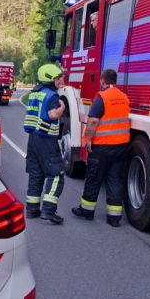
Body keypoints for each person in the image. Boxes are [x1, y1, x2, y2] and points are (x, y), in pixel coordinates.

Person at [72, 69, 130, 227]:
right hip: (121, 147)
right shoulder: (124, 97)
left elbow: (93, 122)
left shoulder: (102, 97)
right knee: (114, 180)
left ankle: (87, 210)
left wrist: (88, 139)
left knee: (94, 178)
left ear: (103, 81)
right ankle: (114, 217)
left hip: (102, 147)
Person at [23, 63, 67, 224]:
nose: (60, 82)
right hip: (46, 139)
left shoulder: (35, 93)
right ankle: (49, 210)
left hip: (33, 138)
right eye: (57, 79)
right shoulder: (51, 96)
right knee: (57, 174)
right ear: (49, 79)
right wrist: (62, 106)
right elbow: (53, 115)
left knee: (36, 174)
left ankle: (32, 209)